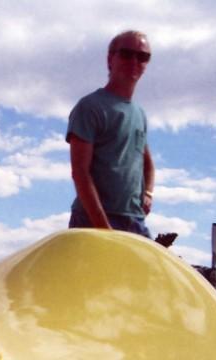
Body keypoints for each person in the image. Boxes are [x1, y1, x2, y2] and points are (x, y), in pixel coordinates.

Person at [66, 30, 156, 238]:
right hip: (92, 219)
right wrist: (104, 229)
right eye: (126, 54)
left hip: (134, 220)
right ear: (110, 59)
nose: (134, 61)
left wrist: (148, 193)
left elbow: (147, 164)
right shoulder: (90, 107)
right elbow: (80, 172)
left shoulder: (139, 114)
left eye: (142, 56)